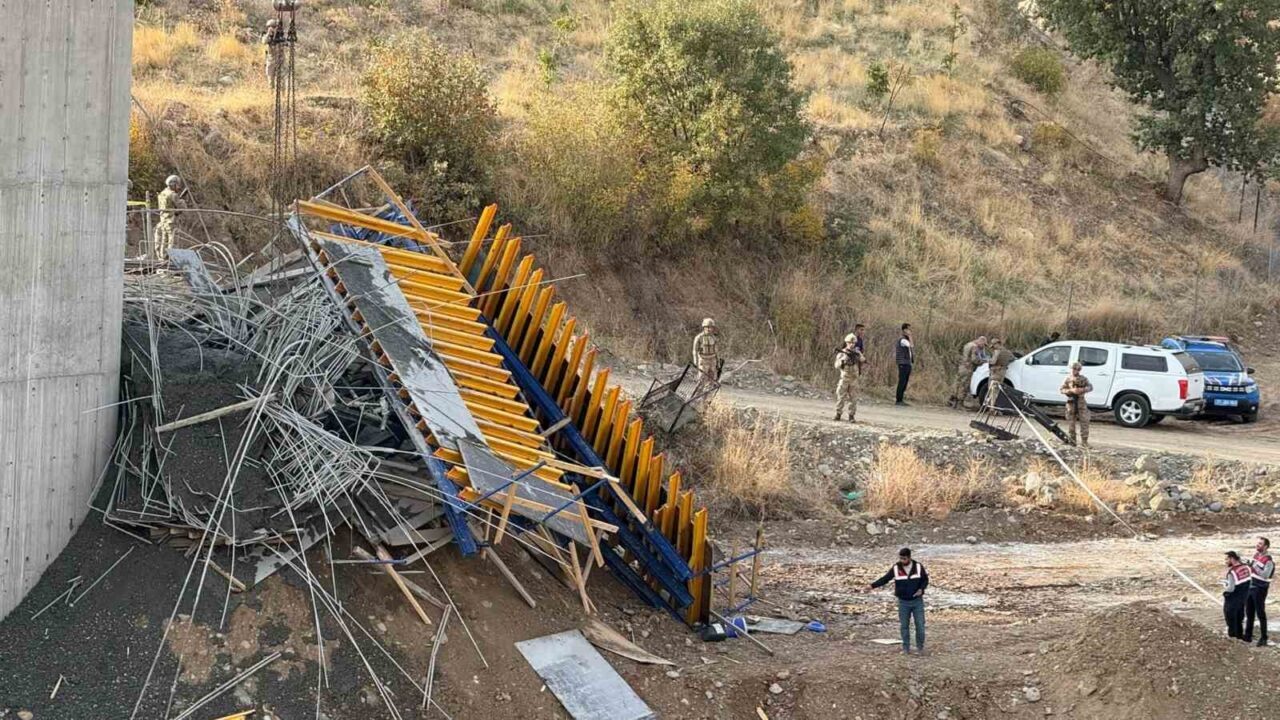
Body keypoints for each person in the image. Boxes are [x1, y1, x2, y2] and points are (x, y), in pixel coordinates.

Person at [870, 547, 929, 654]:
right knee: (904, 626)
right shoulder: (896, 568)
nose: (902, 561)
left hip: (917, 601)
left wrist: (921, 589)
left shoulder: (918, 567)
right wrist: (872, 586)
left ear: (910, 558)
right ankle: (906, 648)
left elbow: (925, 580)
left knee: (920, 625)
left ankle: (920, 647)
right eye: (901, 558)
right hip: (903, 602)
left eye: (904, 559)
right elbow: (885, 578)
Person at [1246, 536, 1273, 646]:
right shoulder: (1256, 555)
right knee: (1249, 612)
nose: (1258, 545)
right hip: (1251, 586)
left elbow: (1265, 575)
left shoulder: (1269, 561)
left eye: (1260, 544)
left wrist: (1254, 566)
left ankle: (1264, 637)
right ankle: (1248, 635)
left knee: (1260, 612)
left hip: (1260, 588)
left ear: (1266, 546)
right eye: (1258, 543)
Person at [1059, 361, 1093, 448]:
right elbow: (1061, 389)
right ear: (1071, 369)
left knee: (1084, 422)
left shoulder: (1083, 379)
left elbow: (1090, 387)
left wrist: (1083, 389)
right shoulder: (1068, 379)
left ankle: (1084, 442)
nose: (1076, 371)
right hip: (1071, 403)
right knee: (1071, 423)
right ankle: (1072, 441)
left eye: (1078, 369)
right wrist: (1071, 391)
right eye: (1074, 369)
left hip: (1081, 402)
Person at [950, 336, 987, 409]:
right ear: (981, 341)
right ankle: (960, 403)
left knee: (957, 383)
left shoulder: (968, 344)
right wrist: (983, 362)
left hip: (962, 367)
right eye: (984, 344)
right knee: (964, 385)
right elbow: (974, 359)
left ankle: (952, 401)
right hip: (968, 368)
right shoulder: (975, 347)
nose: (983, 346)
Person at [834, 333, 864, 422]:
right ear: (846, 342)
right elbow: (836, 365)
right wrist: (843, 361)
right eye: (850, 342)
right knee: (841, 397)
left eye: (853, 343)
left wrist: (857, 356)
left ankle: (851, 416)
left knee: (853, 398)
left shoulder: (857, 352)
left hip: (854, 379)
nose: (851, 344)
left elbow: (863, 360)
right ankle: (838, 414)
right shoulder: (842, 353)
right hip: (844, 378)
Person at [153, 175, 184, 260]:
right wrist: (182, 202)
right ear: (173, 184)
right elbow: (180, 208)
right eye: (177, 184)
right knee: (171, 241)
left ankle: (161, 257)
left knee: (163, 239)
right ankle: (169, 259)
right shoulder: (173, 195)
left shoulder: (162, 193)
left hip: (163, 220)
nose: (178, 186)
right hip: (171, 220)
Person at [1224, 550, 1253, 640]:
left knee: (1231, 619)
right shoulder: (1247, 568)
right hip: (1243, 598)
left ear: (1232, 559)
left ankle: (1233, 638)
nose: (1226, 561)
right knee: (1239, 619)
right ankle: (1239, 636)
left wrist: (1225, 587)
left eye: (1227, 559)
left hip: (1233, 600)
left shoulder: (1232, 572)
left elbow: (1231, 588)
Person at [985, 337, 1015, 408]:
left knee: (992, 390)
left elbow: (993, 361)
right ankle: (995, 406)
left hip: (995, 371)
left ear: (997, 344)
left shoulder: (997, 351)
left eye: (993, 346)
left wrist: (988, 360)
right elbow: (1012, 358)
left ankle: (992, 407)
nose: (993, 348)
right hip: (1002, 372)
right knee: (997, 390)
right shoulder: (1007, 351)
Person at [692, 318, 720, 382]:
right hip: (703, 360)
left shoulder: (714, 338)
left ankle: (709, 391)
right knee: (702, 377)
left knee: (712, 378)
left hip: (712, 360)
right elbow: (695, 350)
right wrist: (695, 361)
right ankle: (699, 391)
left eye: (711, 327)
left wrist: (718, 362)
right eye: (708, 327)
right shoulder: (699, 337)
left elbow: (717, 351)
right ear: (704, 327)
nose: (710, 329)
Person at [262, 18, 285, 88]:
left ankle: (281, 95)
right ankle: (271, 95)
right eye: (269, 27)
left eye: (273, 27)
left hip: (279, 60)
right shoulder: (267, 36)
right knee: (270, 80)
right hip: (270, 60)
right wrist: (269, 34)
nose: (271, 28)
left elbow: (285, 42)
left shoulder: (280, 36)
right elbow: (264, 41)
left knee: (280, 80)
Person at [895, 323, 914, 406]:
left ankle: (901, 399)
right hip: (903, 363)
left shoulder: (906, 339)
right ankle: (898, 400)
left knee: (905, 382)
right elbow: (911, 345)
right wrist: (910, 336)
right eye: (908, 329)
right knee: (902, 381)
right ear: (904, 330)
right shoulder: (903, 340)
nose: (910, 331)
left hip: (907, 363)